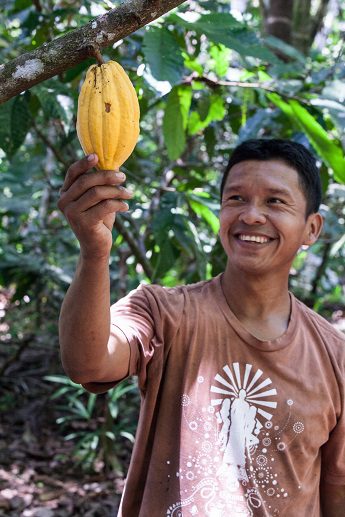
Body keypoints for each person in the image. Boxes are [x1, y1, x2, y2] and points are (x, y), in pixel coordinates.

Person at [58, 139, 345, 516]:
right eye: (236, 199)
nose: (252, 215)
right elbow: (89, 362)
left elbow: (336, 494)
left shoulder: (335, 357)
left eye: (275, 201)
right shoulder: (164, 312)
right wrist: (95, 251)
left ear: (312, 228)